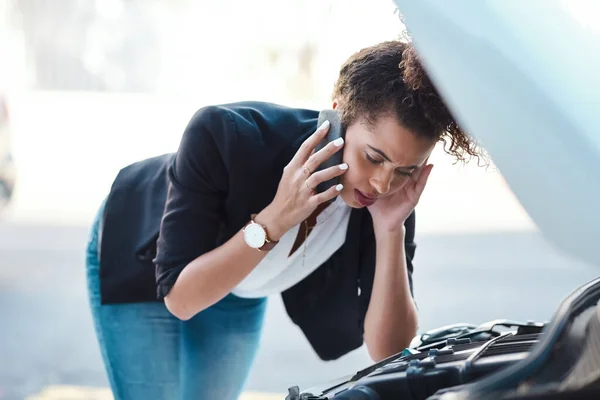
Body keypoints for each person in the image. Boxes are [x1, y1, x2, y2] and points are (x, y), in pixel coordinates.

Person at [85, 39, 484, 400]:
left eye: (405, 170)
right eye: (373, 157)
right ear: (339, 116)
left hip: (237, 286)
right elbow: (181, 299)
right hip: (143, 250)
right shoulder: (225, 135)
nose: (383, 182)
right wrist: (276, 218)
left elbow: (390, 351)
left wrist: (390, 229)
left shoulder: (386, 196)